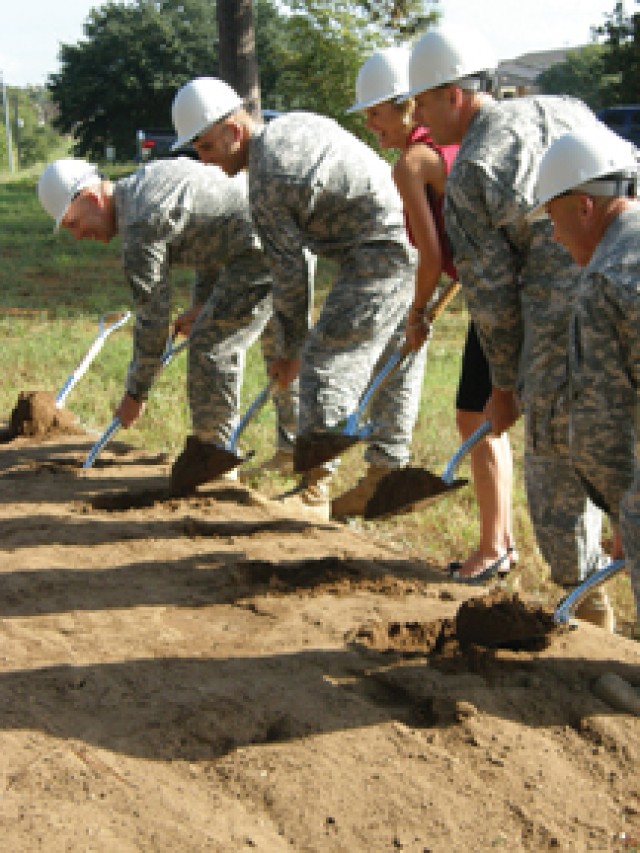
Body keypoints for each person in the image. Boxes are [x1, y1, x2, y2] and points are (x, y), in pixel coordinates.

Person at [401, 26, 611, 623]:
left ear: (454, 95)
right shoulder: (567, 108)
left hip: (561, 323)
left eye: (420, 101)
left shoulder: (473, 168)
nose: (416, 116)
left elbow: (491, 300)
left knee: (556, 479)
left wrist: (503, 390)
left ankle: (592, 615)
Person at [171, 77, 427, 520]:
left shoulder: (268, 175)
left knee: (324, 361)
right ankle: (383, 476)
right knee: (394, 356)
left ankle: (316, 490)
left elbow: (289, 274)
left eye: (208, 146)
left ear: (235, 131)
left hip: (380, 249)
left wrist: (291, 351)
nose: (204, 160)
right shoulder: (293, 125)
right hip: (413, 240)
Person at [346, 46, 516, 578]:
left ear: (408, 106)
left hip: (501, 299)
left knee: (479, 418)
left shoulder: (412, 163)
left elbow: (432, 257)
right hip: (500, 288)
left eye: (377, 112)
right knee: (482, 417)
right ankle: (501, 544)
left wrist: (416, 313)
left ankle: (494, 549)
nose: (372, 125)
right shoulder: (451, 149)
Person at [36, 156, 301, 486]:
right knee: (281, 346)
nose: (77, 236)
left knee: (211, 345)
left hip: (261, 248)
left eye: (74, 224)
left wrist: (136, 393)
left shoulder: (139, 225)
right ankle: (296, 453)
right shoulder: (144, 185)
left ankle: (214, 460)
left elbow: (153, 319)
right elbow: (215, 234)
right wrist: (203, 302)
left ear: (92, 198)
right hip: (279, 232)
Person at [528, 126, 639, 633]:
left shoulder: (606, 279)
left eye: (552, 217)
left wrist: (622, 510)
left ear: (584, 206)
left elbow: (599, 432)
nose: (553, 236)